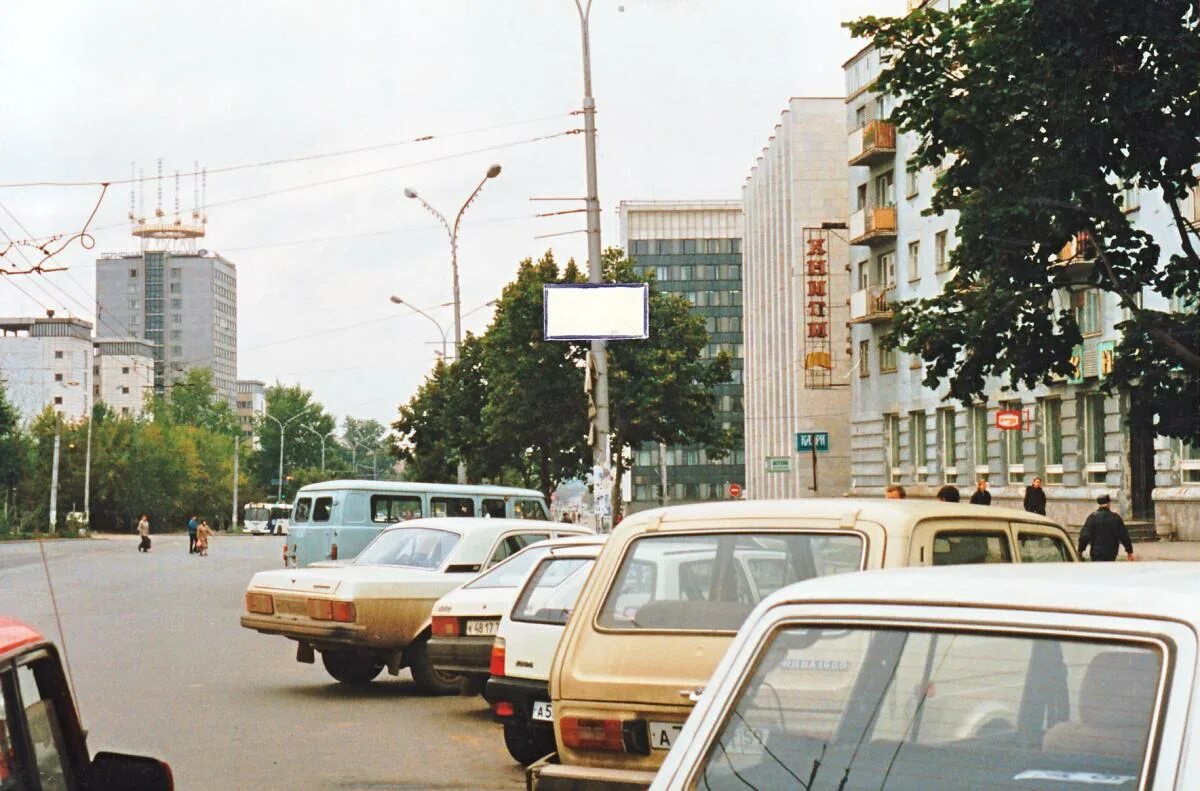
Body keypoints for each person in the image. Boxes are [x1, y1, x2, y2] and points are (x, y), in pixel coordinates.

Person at [1079, 494, 1135, 562]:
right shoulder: (1115, 518)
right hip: (1111, 552)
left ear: (1098, 504)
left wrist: (1080, 550)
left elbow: (1084, 536)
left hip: (1096, 553)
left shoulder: (1092, 518)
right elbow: (1124, 536)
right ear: (1109, 504)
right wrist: (1129, 551)